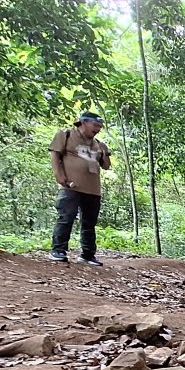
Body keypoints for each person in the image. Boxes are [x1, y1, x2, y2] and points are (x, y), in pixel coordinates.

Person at [49, 112, 111, 265]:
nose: (97, 129)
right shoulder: (66, 135)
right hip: (71, 186)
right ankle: (58, 250)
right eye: (95, 126)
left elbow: (107, 166)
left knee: (89, 223)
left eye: (100, 127)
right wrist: (59, 175)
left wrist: (104, 153)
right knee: (66, 217)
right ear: (83, 122)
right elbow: (55, 155)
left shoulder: (98, 144)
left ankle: (87, 254)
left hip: (93, 189)